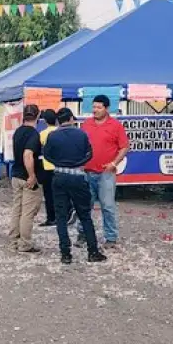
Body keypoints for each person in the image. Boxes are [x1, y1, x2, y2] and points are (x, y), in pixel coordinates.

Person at [44, 108, 105, 264]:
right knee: (84, 215)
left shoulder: (53, 136)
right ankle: (93, 252)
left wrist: (59, 162)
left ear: (58, 120)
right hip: (78, 176)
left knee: (61, 217)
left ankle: (65, 253)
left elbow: (47, 154)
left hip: (59, 176)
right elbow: (89, 153)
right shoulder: (81, 134)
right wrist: (79, 163)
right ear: (71, 118)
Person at [79, 95, 128, 248]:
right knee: (85, 205)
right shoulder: (86, 125)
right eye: (94, 107)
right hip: (87, 172)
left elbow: (125, 147)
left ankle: (111, 238)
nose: (95, 110)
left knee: (107, 206)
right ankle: (82, 235)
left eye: (99, 107)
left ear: (106, 109)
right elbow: (80, 145)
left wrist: (114, 163)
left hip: (106, 173)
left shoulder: (116, 125)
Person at [7, 105, 44, 253]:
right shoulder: (34, 134)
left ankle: (13, 241)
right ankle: (25, 243)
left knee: (17, 209)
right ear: (38, 115)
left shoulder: (18, 131)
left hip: (16, 174)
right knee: (28, 212)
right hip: (27, 177)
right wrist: (32, 175)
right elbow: (28, 155)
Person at [37, 109, 58, 227]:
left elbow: (39, 149)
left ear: (45, 121)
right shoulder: (60, 131)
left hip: (47, 166)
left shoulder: (42, 134)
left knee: (48, 194)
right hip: (60, 167)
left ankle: (51, 218)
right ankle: (63, 217)